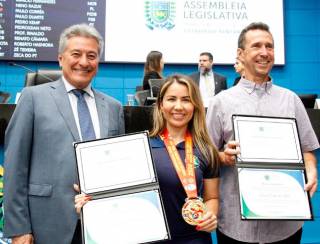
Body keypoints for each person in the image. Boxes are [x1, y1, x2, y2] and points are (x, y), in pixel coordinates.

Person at [4, 23, 125, 244]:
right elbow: (15, 166)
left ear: (98, 62)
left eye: (92, 55)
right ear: (61, 58)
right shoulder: (33, 99)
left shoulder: (113, 107)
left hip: (101, 225)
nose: (84, 62)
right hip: (45, 224)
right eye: (76, 54)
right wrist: (19, 229)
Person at [206, 22, 319, 244]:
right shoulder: (221, 103)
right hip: (235, 225)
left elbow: (307, 150)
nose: (265, 53)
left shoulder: (291, 100)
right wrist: (222, 156)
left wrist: (312, 170)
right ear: (241, 53)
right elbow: (205, 156)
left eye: (270, 46)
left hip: (286, 222)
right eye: (257, 46)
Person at [75, 74, 220, 243]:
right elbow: (121, 195)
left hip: (194, 238)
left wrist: (210, 215)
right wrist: (90, 203)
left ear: (195, 105)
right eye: (171, 99)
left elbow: (212, 198)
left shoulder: (206, 150)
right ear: (160, 105)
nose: (178, 106)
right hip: (148, 237)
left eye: (186, 100)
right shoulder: (139, 148)